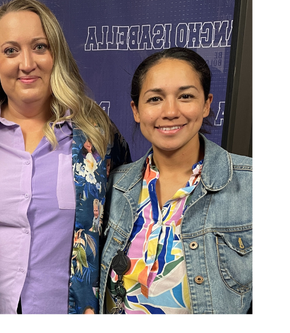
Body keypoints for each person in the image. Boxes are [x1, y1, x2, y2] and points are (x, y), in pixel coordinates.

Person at [0, 0, 129, 313]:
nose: (26, 63)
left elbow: (126, 227)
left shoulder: (98, 133)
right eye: (10, 50)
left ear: (55, 54)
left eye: (39, 47)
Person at [100, 48, 252, 313]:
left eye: (185, 96)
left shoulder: (252, 185)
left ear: (206, 104)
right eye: (155, 98)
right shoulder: (113, 186)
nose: (170, 111)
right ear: (136, 110)